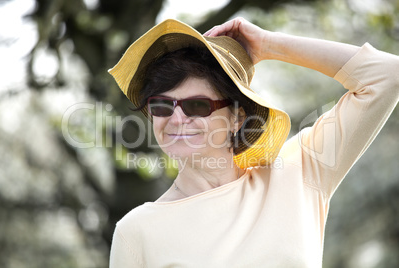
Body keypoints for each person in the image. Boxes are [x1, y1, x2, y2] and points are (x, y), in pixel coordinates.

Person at [108, 17, 398, 267]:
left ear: (236, 117)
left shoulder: (298, 174)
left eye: (197, 105)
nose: (176, 119)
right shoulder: (136, 233)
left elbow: (386, 76)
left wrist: (269, 45)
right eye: (161, 106)